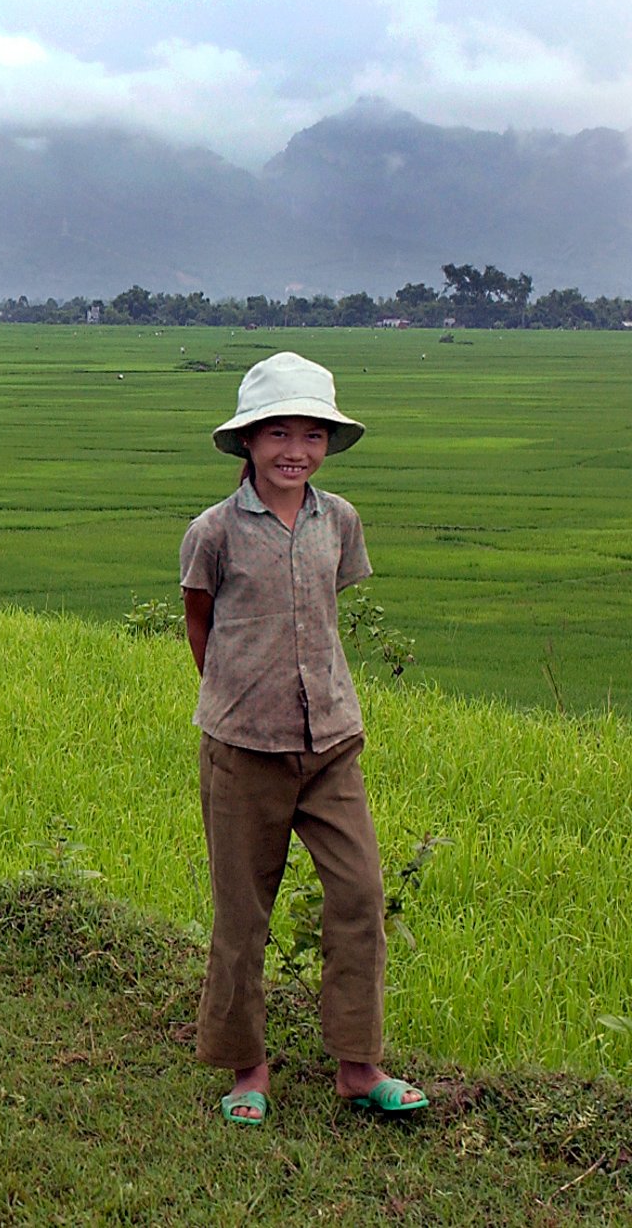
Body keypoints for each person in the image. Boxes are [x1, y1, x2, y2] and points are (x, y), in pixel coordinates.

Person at [179, 351, 428, 1126]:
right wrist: (235, 694)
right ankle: (246, 1068)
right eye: (278, 432)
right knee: (241, 911)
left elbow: (324, 611)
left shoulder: (340, 520)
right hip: (244, 747)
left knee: (358, 894)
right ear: (248, 441)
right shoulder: (213, 531)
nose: (296, 449)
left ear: (328, 443)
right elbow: (200, 620)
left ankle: (359, 1066)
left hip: (332, 744)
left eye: (312, 434)